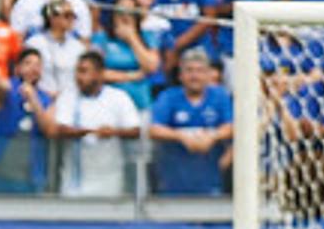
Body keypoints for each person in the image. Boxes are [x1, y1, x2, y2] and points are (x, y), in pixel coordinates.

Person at [47, 51, 143, 198]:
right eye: (77, 72)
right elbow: (60, 129)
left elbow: (135, 130)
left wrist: (113, 133)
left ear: (99, 74)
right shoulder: (68, 97)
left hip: (109, 179)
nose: (78, 77)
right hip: (73, 182)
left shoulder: (119, 98)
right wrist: (91, 132)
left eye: (84, 71)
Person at [146, 50, 234, 195]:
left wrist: (212, 137)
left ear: (208, 75)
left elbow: (231, 127)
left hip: (211, 181)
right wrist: (182, 137)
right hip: (172, 182)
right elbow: (154, 129)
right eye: (189, 71)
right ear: (181, 75)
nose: (195, 76)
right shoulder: (169, 96)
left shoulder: (220, 96)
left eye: (200, 71)